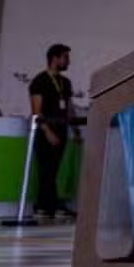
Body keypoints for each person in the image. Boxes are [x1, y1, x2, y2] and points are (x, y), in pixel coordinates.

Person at [27, 44, 76, 221]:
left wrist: (75, 129)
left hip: (62, 129)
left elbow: (69, 107)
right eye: (65, 57)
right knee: (46, 168)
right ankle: (46, 205)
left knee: (54, 169)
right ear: (55, 58)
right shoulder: (39, 81)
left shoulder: (66, 82)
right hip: (44, 131)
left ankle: (49, 205)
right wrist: (47, 131)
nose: (68, 61)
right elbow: (36, 111)